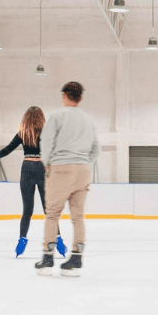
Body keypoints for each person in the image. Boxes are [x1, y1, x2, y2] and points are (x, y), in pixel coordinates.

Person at [33, 81, 100, 278]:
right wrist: (83, 162)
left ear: (64, 95)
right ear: (80, 97)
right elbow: (96, 148)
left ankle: (47, 258)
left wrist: (47, 163)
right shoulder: (88, 120)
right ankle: (76, 259)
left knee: (52, 214)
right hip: (82, 170)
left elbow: (47, 141)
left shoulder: (57, 116)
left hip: (61, 168)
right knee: (77, 216)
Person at [0, 106, 49, 258]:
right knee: (49, 210)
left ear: (26, 118)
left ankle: (22, 240)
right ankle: (58, 241)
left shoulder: (22, 133)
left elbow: (7, 149)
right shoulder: (45, 133)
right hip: (40, 168)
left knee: (27, 210)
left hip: (26, 168)